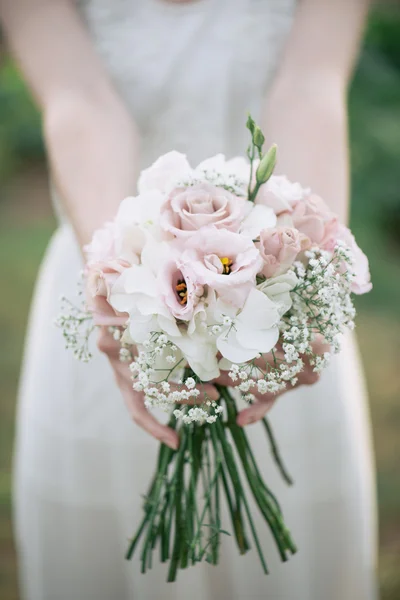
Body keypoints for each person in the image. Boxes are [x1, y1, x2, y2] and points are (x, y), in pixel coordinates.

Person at [0, 0, 377, 598]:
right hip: (110, 255)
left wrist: (305, 281)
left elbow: (309, 86)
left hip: (272, 291)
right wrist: (124, 286)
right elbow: (81, 100)